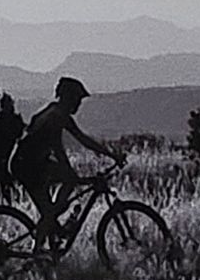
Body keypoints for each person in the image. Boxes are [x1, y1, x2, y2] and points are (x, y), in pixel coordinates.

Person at [10, 76, 120, 244]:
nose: (79, 104)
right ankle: (39, 250)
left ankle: (47, 244)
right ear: (69, 98)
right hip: (27, 165)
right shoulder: (56, 116)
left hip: (29, 162)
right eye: (77, 99)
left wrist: (111, 155)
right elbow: (58, 148)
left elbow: (84, 140)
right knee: (60, 196)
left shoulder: (59, 112)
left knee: (51, 212)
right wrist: (69, 172)